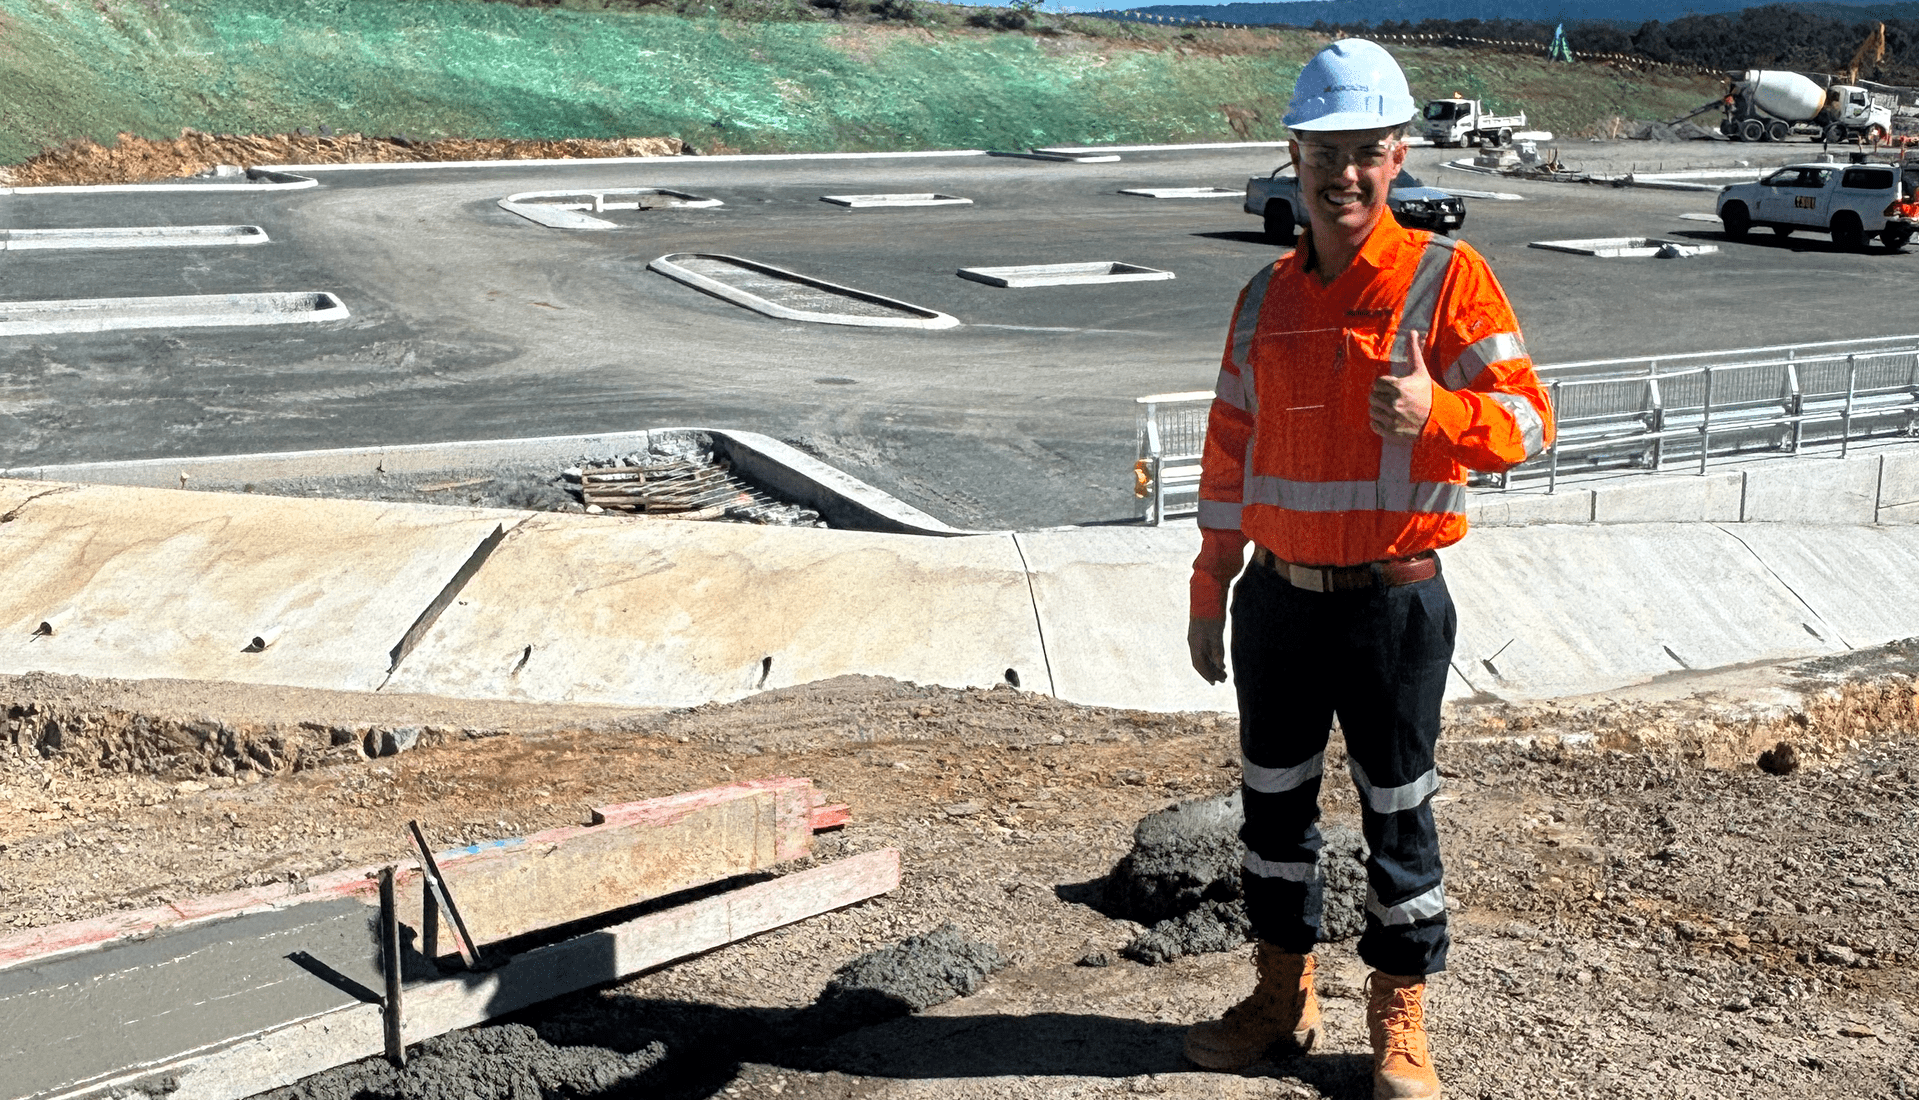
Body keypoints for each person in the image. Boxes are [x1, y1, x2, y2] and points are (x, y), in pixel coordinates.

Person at [1180, 39, 1554, 1100]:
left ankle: (1399, 1017)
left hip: (1393, 604)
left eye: (1365, 152)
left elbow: (1532, 419)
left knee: (1399, 808)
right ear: (1294, 155)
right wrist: (1213, 581)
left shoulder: (1448, 280)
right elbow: (1228, 447)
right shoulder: (1263, 299)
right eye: (1323, 151)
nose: (1342, 174)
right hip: (1279, 606)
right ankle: (1279, 994)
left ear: (1397, 157)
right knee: (1273, 809)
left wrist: (1443, 411)